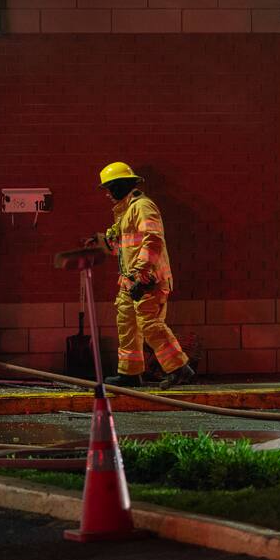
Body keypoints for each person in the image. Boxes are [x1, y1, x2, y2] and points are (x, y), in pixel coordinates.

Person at [95, 161, 195, 389]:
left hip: (148, 281)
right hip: (130, 282)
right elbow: (121, 249)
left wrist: (140, 275)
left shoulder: (142, 206)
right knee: (127, 325)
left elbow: (153, 240)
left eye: (109, 188)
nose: (107, 194)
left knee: (150, 326)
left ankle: (180, 369)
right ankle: (129, 373)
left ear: (120, 186)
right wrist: (101, 241)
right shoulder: (125, 212)